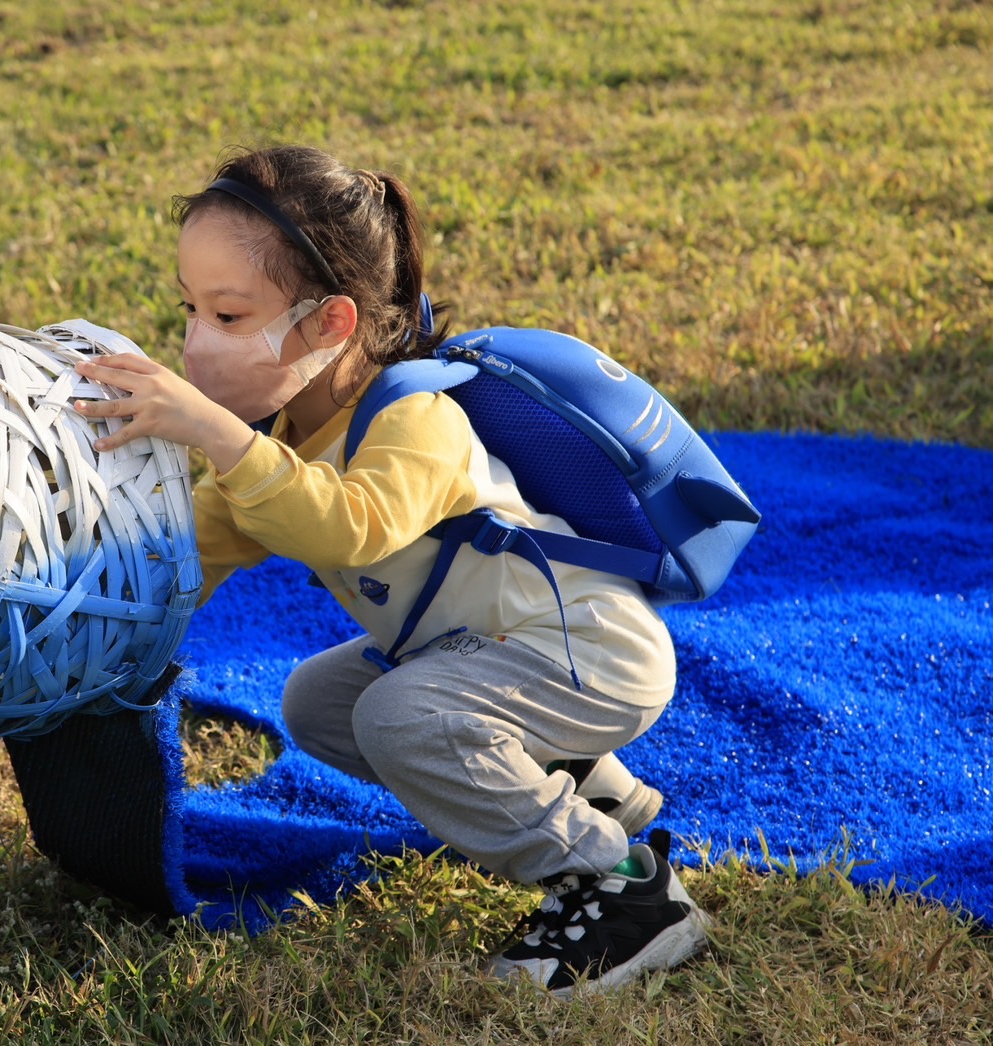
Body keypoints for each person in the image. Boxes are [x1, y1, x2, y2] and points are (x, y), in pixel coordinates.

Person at [73, 144, 710, 996]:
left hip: (587, 650)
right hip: (490, 654)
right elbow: (182, 562)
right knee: (320, 705)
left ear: (333, 323)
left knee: (399, 717)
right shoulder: (280, 442)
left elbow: (351, 528)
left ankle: (623, 888)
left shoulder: (416, 416)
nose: (193, 346)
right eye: (187, 310)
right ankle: (578, 792)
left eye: (227, 317)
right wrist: (88, 626)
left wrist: (218, 436)